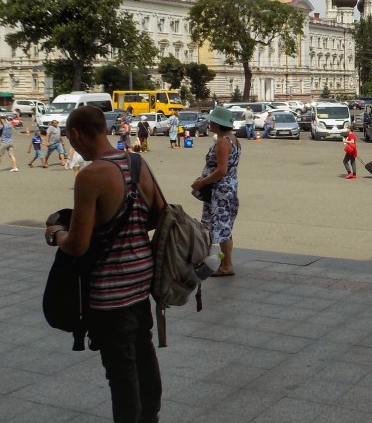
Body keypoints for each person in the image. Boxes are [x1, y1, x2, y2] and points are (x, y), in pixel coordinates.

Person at [43, 106, 165, 422]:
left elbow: (77, 245)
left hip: (110, 293)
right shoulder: (137, 162)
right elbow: (159, 213)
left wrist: (55, 233)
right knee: (143, 353)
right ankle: (151, 417)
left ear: (77, 134)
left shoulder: (91, 175)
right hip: (142, 281)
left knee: (122, 372)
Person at [191, 107, 241, 277]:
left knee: (221, 226)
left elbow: (221, 170)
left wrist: (201, 182)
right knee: (218, 225)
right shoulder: (233, 139)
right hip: (227, 189)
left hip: (219, 191)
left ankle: (226, 266)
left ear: (219, 124)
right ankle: (216, 261)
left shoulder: (223, 142)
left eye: (212, 121)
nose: (209, 123)